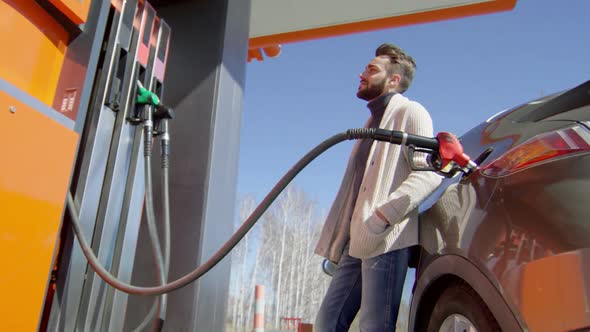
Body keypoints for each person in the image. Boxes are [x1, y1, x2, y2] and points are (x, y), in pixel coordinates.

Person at [314, 43, 442, 331]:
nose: (361, 74)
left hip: (387, 240)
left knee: (374, 327)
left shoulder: (411, 112)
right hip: (355, 242)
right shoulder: (371, 124)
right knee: (327, 322)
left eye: (371, 70)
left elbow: (429, 173)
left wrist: (382, 217)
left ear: (394, 80)